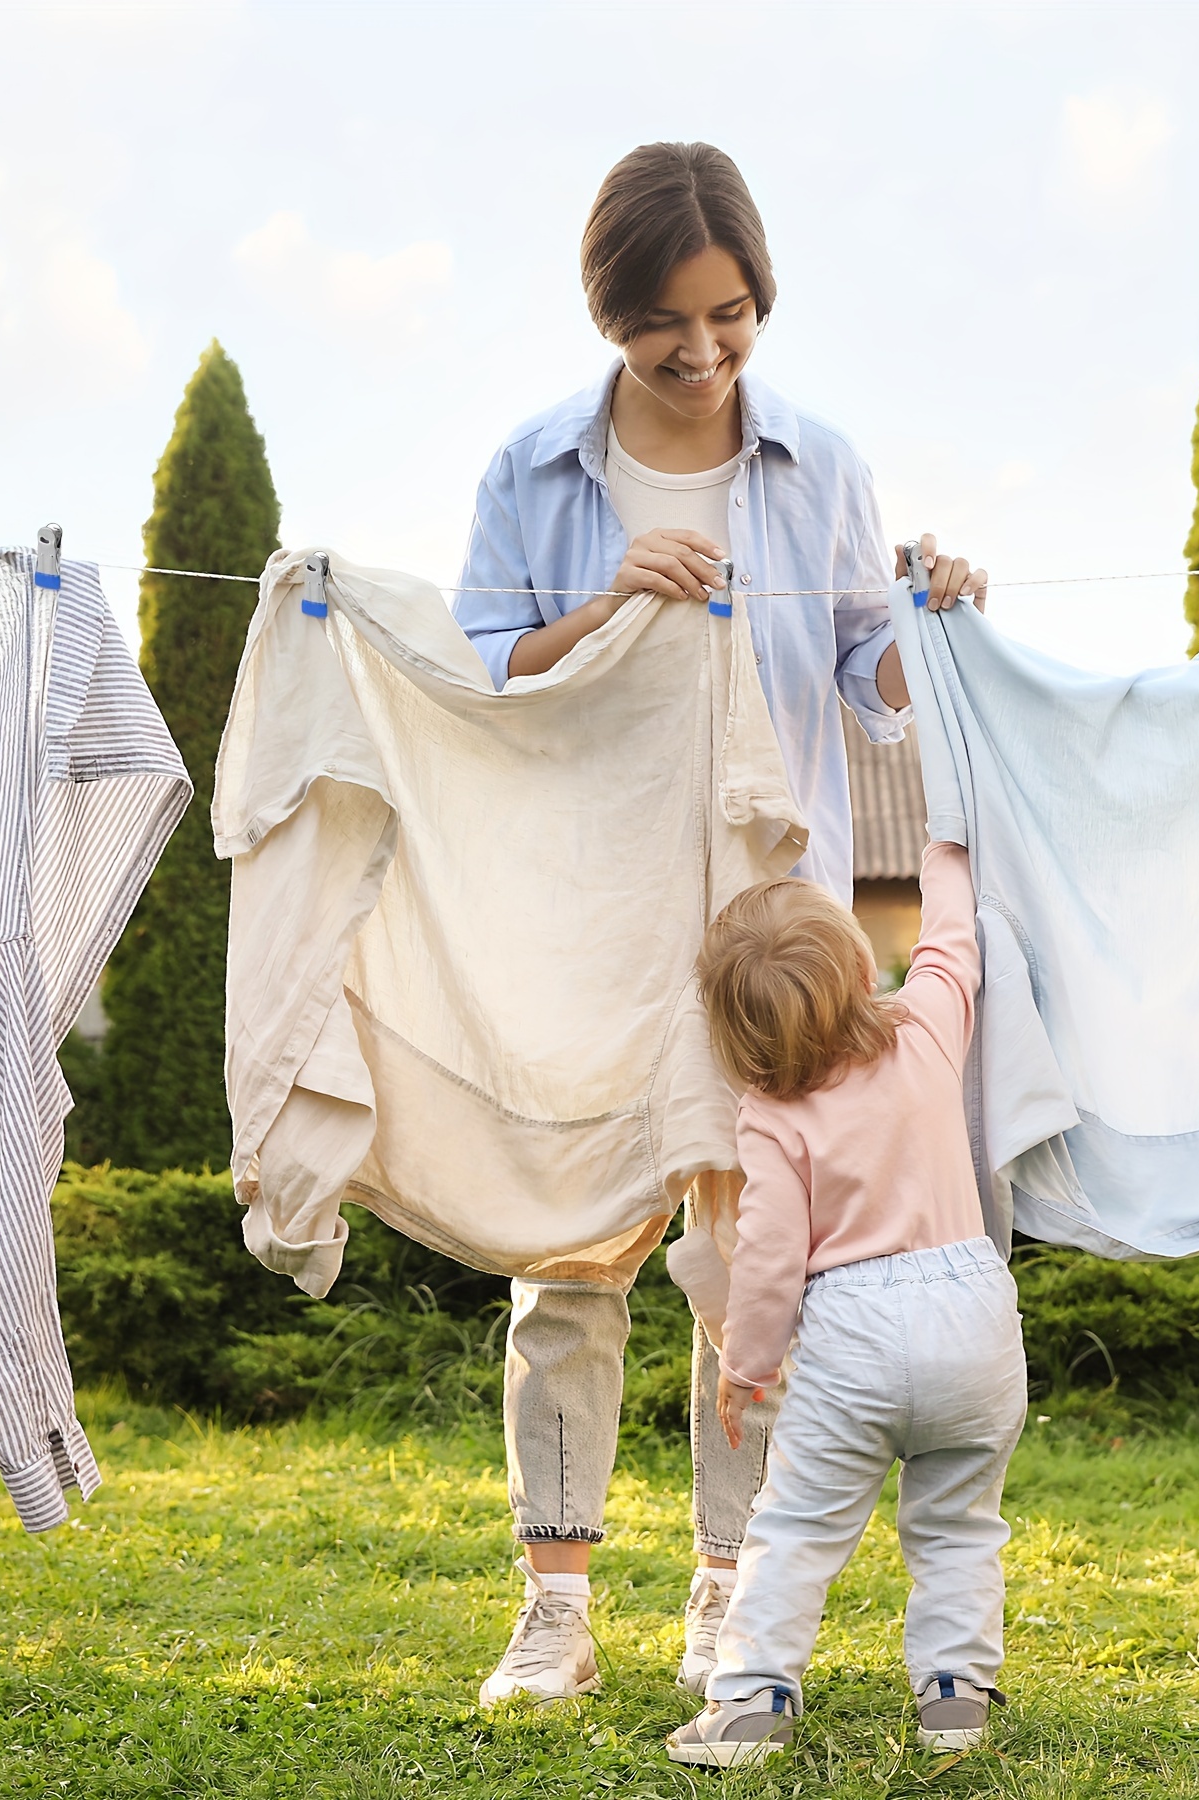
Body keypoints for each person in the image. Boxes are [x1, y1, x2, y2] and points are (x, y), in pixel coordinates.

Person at [454, 139, 986, 1706]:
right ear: (607, 316)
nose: (699, 356)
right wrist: (610, 604)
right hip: (589, 905)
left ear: (762, 298)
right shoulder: (531, 471)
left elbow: (873, 696)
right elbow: (487, 681)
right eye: (661, 329)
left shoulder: (819, 466)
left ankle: (718, 1588)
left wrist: (935, 623)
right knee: (570, 1251)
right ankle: (553, 1603)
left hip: (768, 925)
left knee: (746, 1240)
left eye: (731, 320)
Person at [665, 837, 1028, 1768]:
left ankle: (750, 1703)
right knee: (957, 1525)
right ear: (863, 963)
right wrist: (947, 841)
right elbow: (952, 945)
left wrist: (745, 1368)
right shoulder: (924, 1030)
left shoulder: (771, 1113)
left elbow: (771, 1260)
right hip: (974, 1312)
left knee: (793, 1530)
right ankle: (955, 1699)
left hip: (854, 1335)